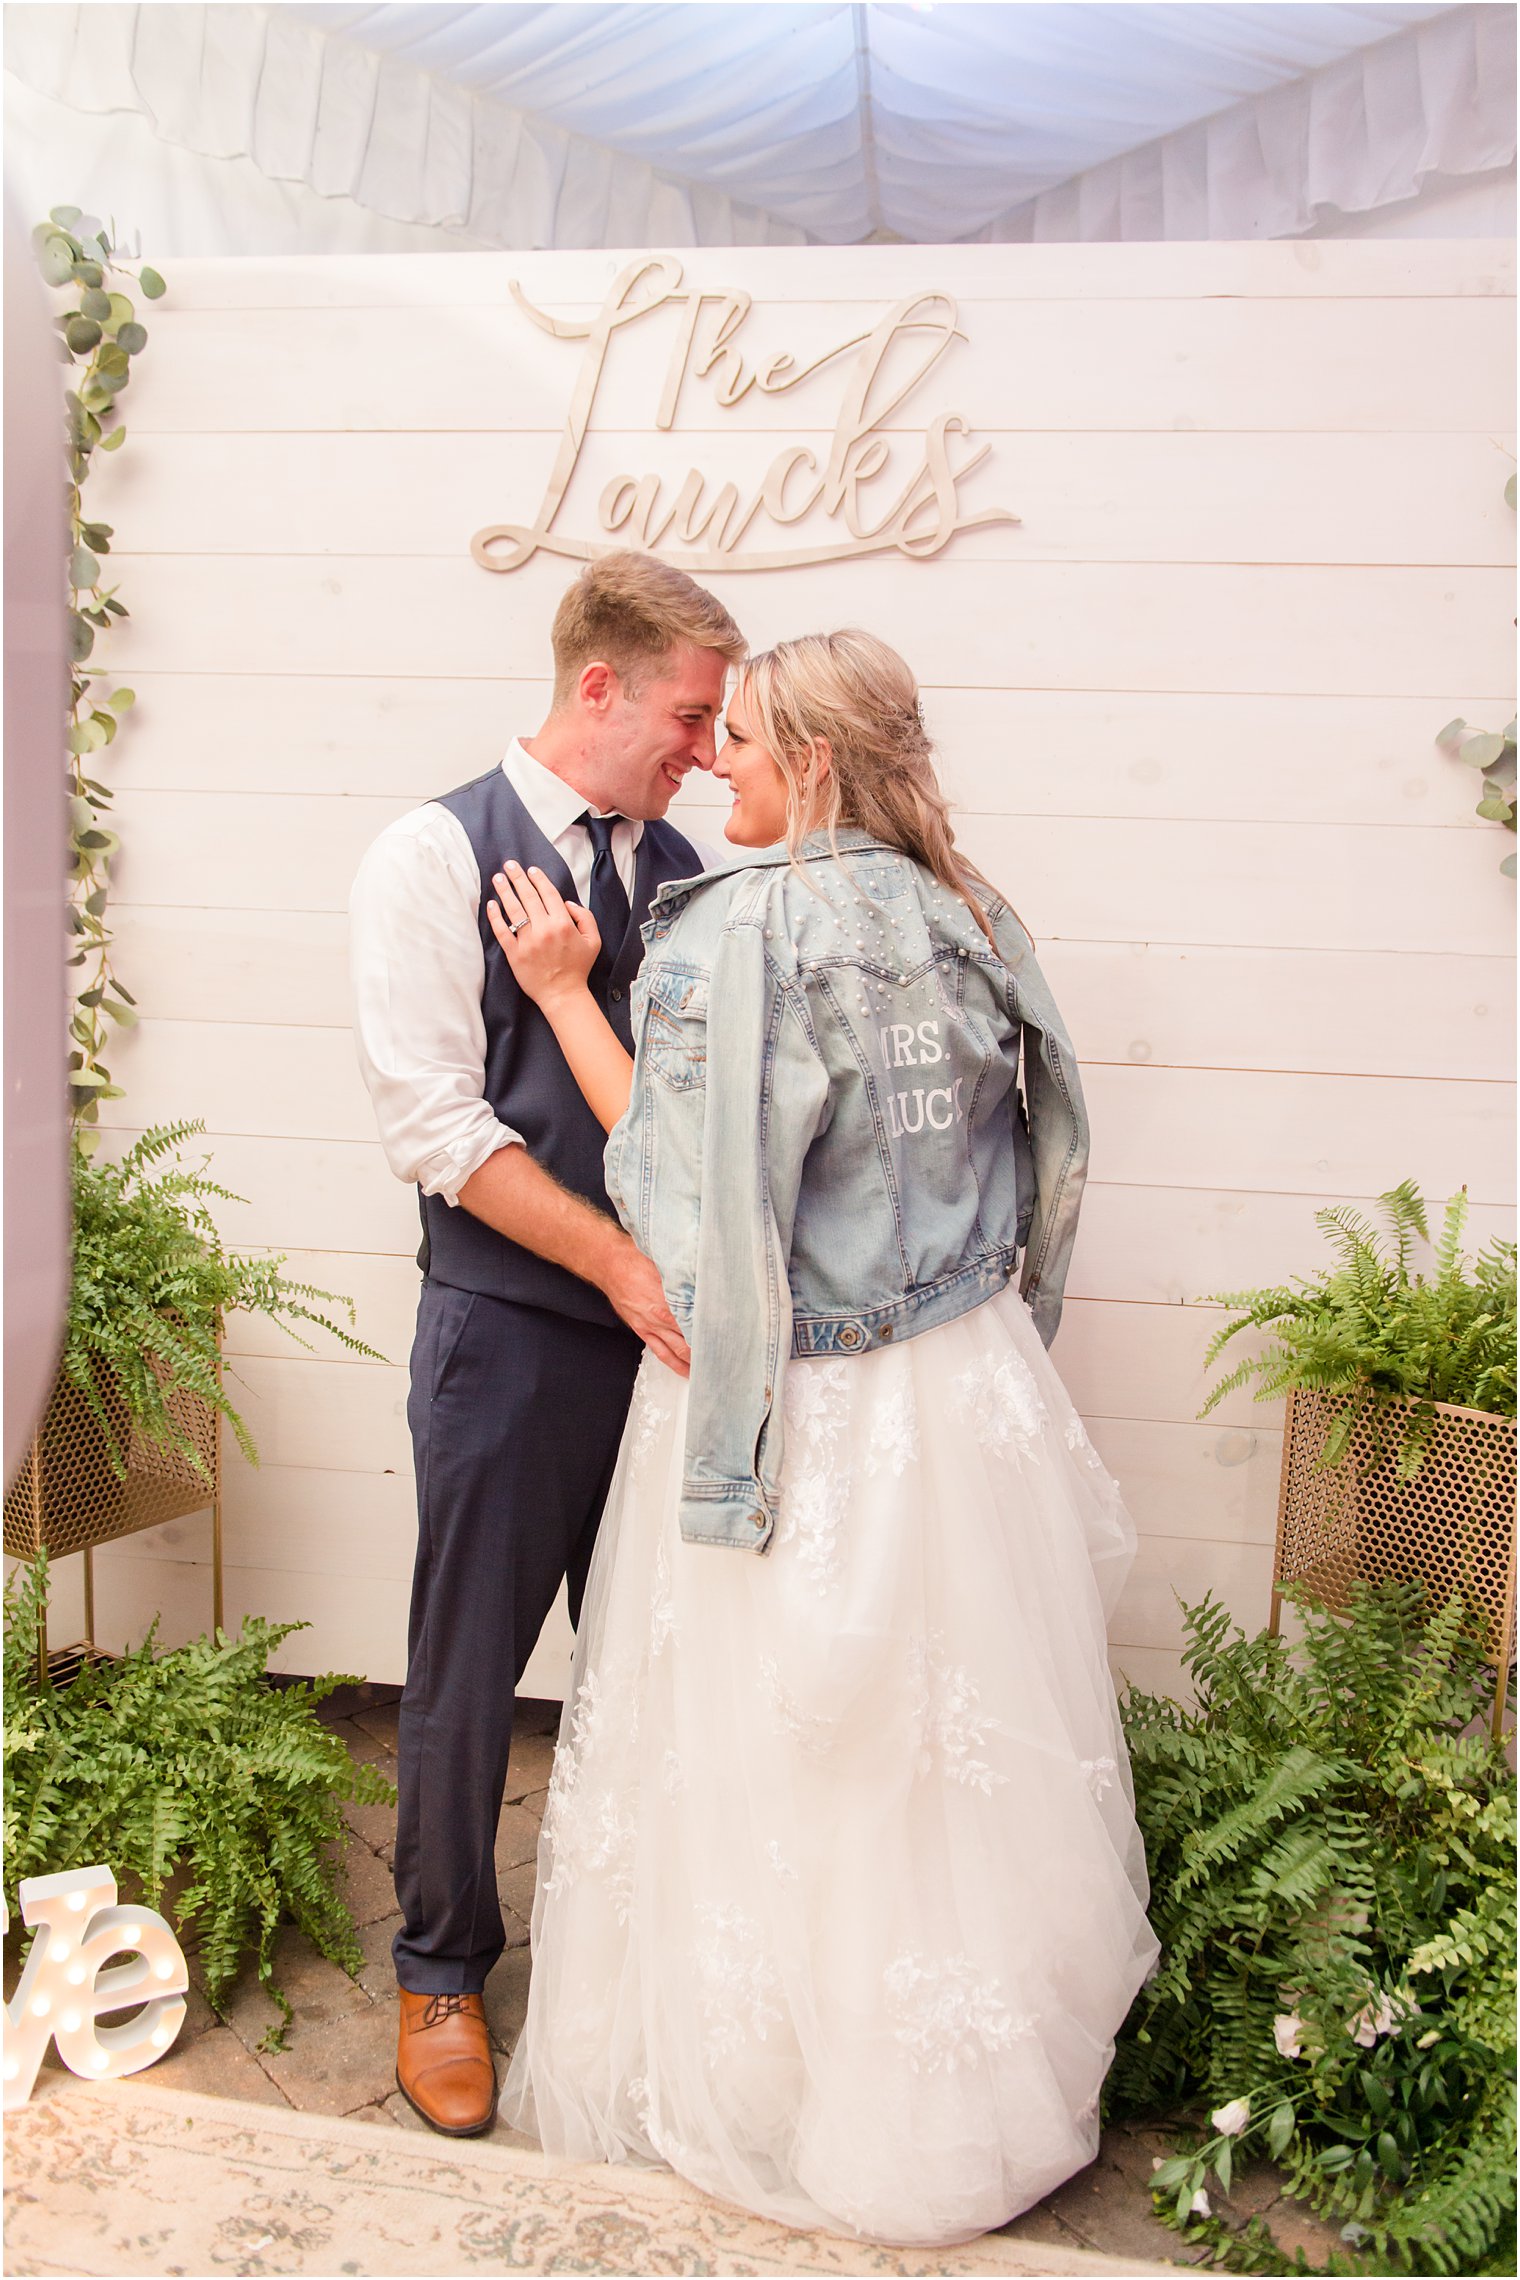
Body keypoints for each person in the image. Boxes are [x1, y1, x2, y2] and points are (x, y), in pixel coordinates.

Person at [490, 629, 1160, 2244]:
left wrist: (570, 996)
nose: (719, 759)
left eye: (749, 741)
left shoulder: (739, 930)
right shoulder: (969, 912)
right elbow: (1059, 1133)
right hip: (965, 1381)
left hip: (807, 1399)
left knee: (778, 1748)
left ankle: (800, 2097)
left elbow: (682, 1190)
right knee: (944, 1761)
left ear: (822, 762)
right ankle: (954, 2096)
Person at [348, 552, 745, 2136]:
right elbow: (436, 1127)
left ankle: (636, 1959)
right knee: (464, 1672)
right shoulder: (428, 854)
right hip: (512, 1337)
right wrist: (620, 1264)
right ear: (602, 687)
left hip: (670, 1348)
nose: (708, 753)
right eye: (692, 716)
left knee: (661, 1662)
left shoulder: (687, 870)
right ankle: (440, 1970)